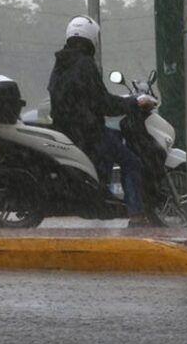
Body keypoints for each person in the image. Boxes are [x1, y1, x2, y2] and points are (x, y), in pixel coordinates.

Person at [47, 15, 156, 228]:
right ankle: (136, 215)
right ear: (91, 39)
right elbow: (103, 103)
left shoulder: (61, 63)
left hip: (67, 129)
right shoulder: (85, 64)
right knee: (132, 162)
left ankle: (102, 188)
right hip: (89, 132)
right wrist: (133, 103)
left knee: (115, 138)